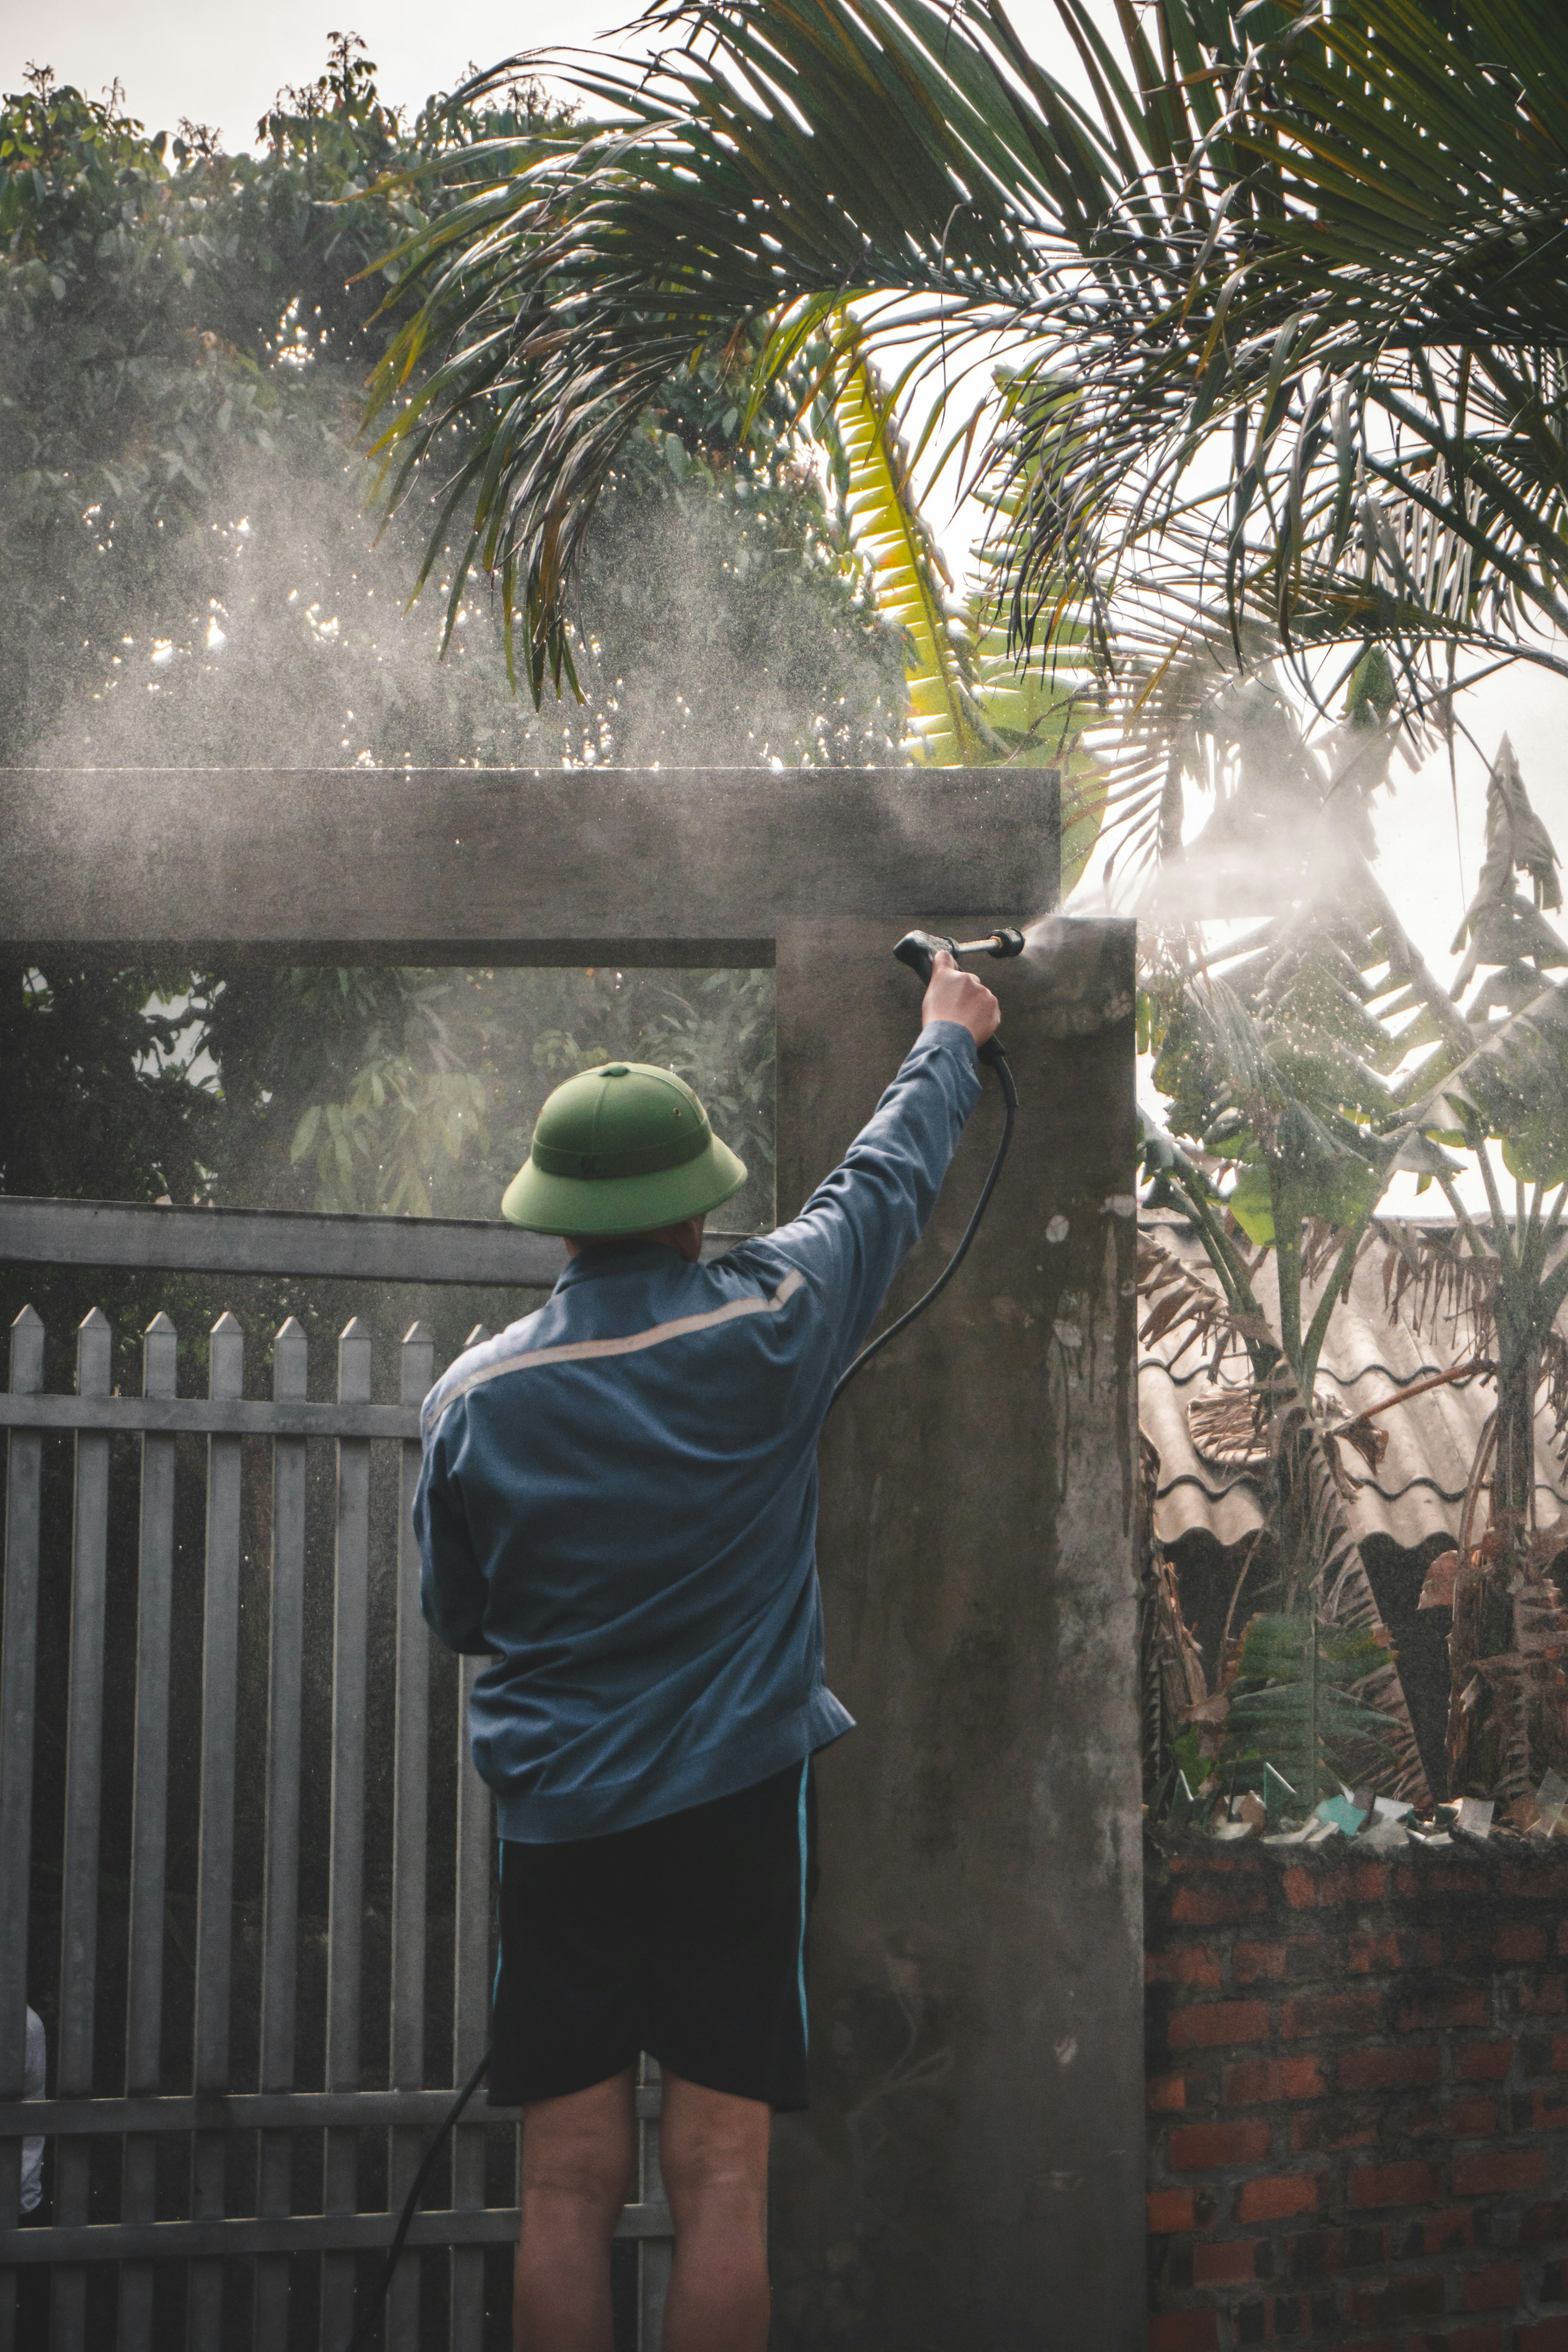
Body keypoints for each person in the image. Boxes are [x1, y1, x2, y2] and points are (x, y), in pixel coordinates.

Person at [416, 951, 1001, 2352]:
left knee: (562, 2185)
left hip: (560, 1827)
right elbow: (881, 1188)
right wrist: (949, 1036)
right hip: (735, 1817)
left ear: (556, 1219)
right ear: (694, 1214)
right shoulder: (774, 1322)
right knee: (723, 2181)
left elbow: (462, 1620)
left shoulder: (473, 1400)